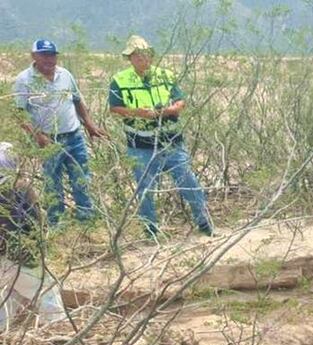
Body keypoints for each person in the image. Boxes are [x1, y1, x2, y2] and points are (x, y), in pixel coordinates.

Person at [108, 35, 214, 238]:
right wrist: (137, 112)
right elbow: (114, 107)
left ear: (151, 56)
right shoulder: (119, 80)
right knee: (145, 189)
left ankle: (204, 222)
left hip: (171, 142)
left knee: (188, 181)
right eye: (137, 56)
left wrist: (170, 110)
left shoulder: (166, 75)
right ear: (130, 58)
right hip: (140, 145)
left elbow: (180, 101)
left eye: (145, 55)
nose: (142, 59)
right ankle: (151, 231)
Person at [13, 39, 108, 226]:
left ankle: (86, 218)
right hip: (48, 140)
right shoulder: (24, 80)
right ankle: (57, 222)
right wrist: (37, 136)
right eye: (44, 55)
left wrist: (89, 124)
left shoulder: (65, 75)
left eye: (52, 55)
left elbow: (77, 100)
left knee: (82, 177)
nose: (49, 60)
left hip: (74, 135)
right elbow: (19, 113)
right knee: (52, 182)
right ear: (34, 56)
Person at [0, 142, 66, 331]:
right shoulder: (20, 188)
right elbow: (35, 222)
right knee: (46, 288)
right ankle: (56, 328)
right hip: (19, 255)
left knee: (8, 292)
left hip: (4, 258)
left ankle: (2, 330)